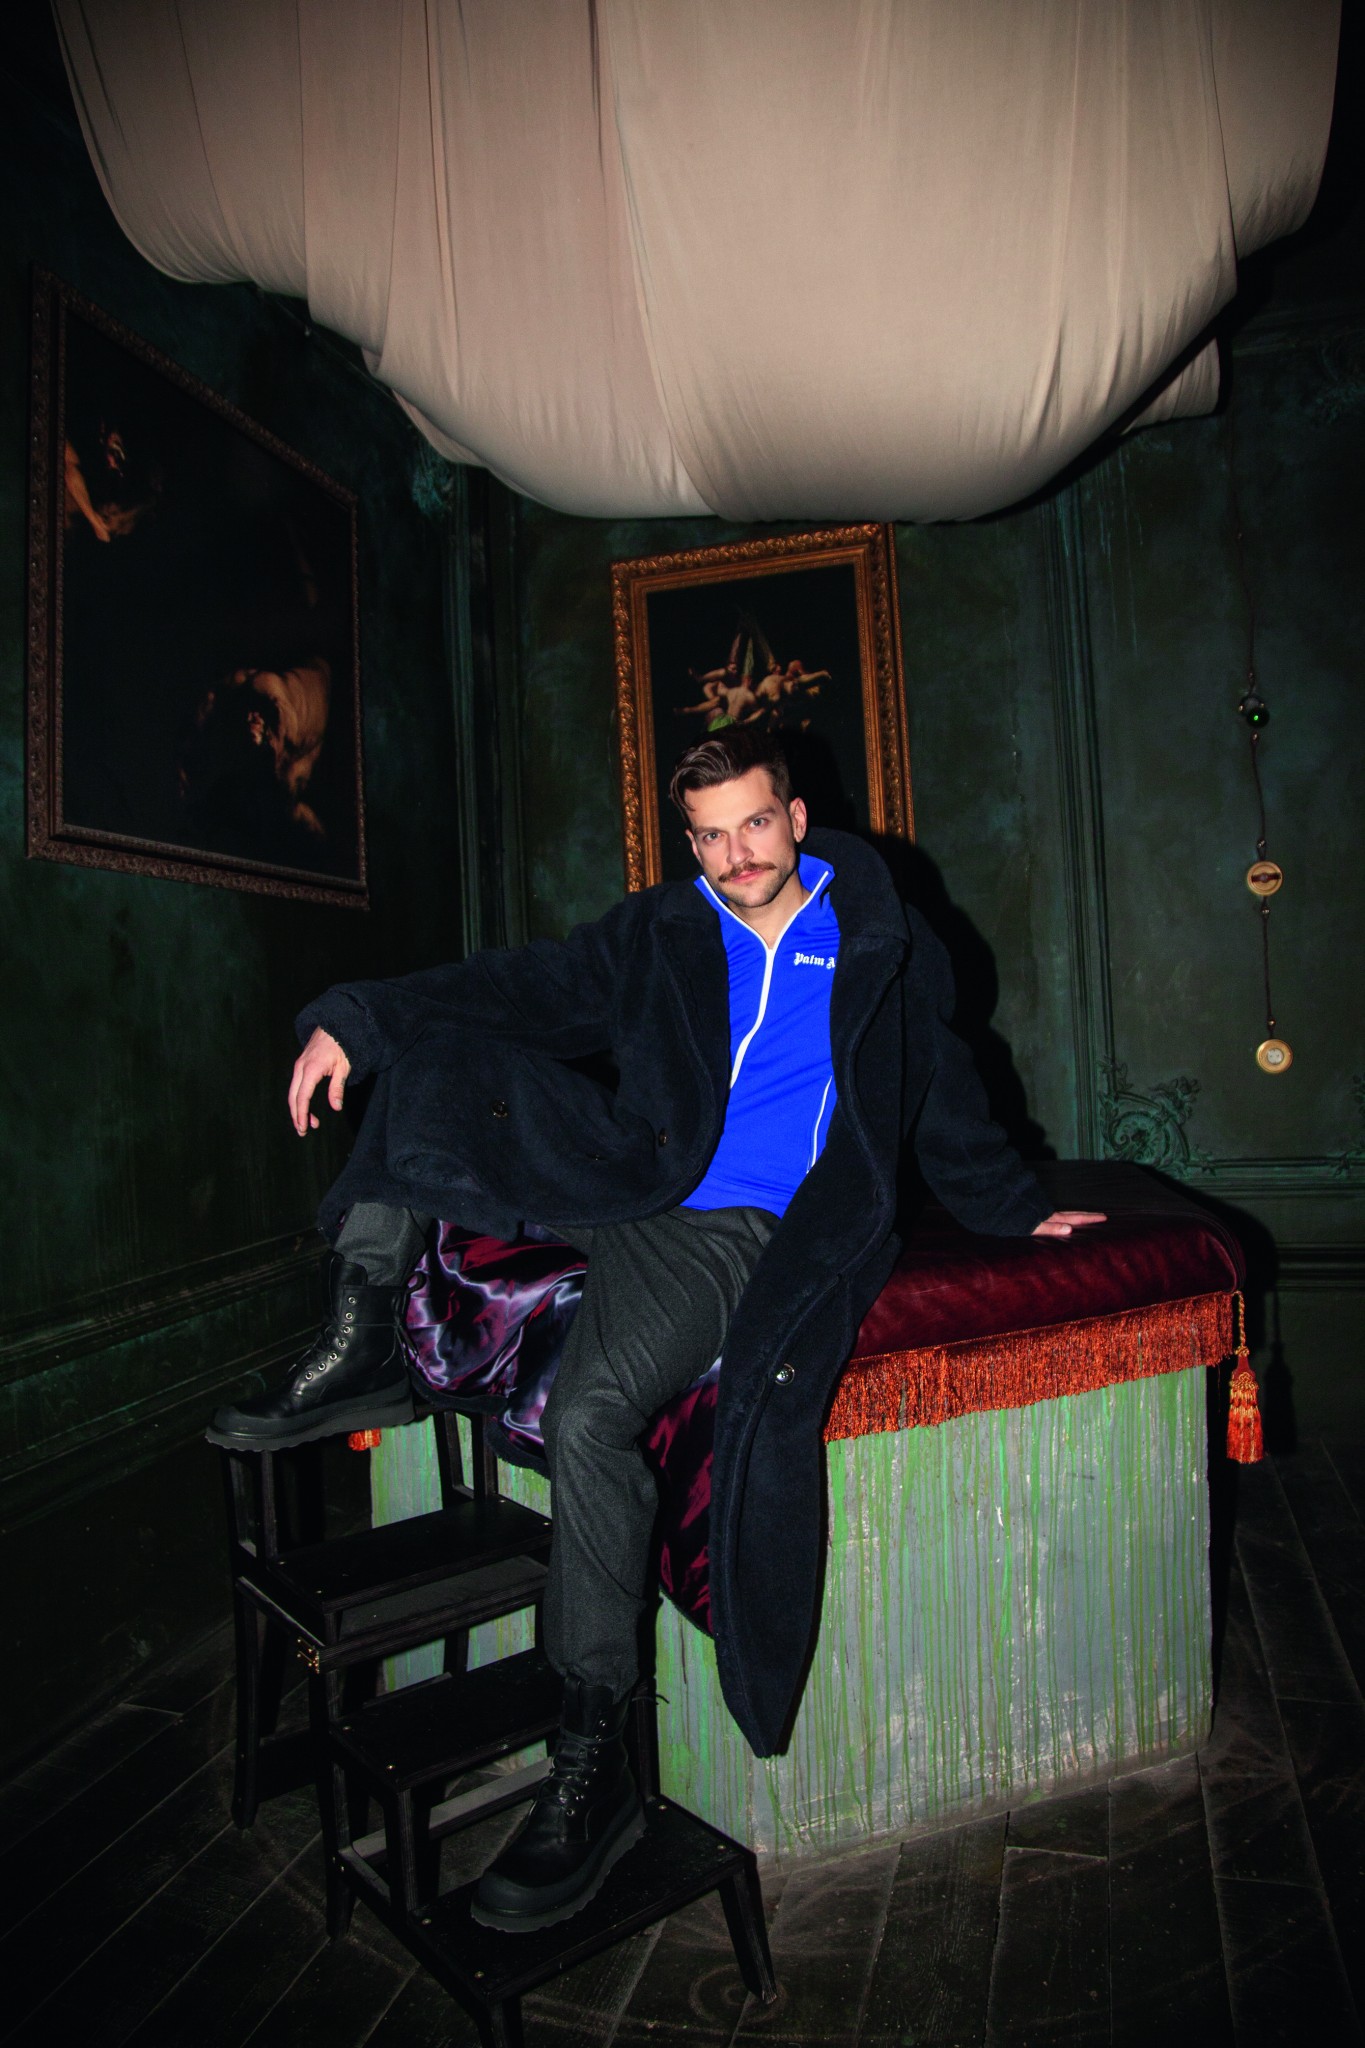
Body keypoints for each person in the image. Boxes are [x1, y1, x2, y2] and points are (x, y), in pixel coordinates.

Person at [208, 725, 1103, 1931]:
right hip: (630, 1170)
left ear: (797, 817)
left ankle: (593, 1751)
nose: (737, 855)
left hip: (734, 1225)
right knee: (439, 1053)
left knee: (591, 1414)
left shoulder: (878, 940)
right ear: (689, 840)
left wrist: (1018, 1207)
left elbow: (946, 1086)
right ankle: (363, 1323)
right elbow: (518, 984)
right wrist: (357, 1020)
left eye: (755, 824)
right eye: (711, 836)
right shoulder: (665, 928)